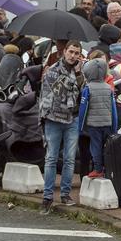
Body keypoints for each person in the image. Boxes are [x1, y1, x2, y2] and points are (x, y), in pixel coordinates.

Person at [39, 40, 83, 213]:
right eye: (71, 52)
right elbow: (57, 93)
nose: (73, 56)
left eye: (77, 53)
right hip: (54, 119)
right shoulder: (53, 70)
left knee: (70, 158)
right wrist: (75, 78)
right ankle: (47, 197)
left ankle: (65, 193)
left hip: (73, 118)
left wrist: (79, 76)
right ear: (64, 51)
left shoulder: (81, 72)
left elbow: (83, 93)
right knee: (51, 158)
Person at [78, 58, 118, 178]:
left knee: (95, 146)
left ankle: (98, 169)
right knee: (106, 147)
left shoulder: (88, 88)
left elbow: (83, 109)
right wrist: (114, 126)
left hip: (93, 125)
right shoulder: (108, 88)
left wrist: (81, 126)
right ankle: (107, 168)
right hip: (107, 123)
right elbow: (113, 109)